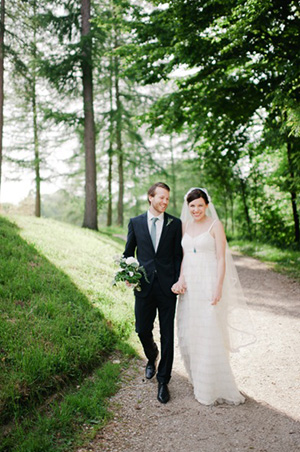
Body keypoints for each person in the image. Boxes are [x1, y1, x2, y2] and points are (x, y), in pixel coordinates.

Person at [172, 187, 255, 406]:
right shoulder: (185, 225)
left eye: (199, 205)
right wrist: (181, 279)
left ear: (207, 205)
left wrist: (218, 287)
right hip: (190, 286)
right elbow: (184, 257)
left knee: (209, 332)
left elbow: (221, 258)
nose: (196, 209)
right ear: (187, 207)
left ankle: (212, 386)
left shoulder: (215, 225)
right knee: (190, 332)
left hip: (208, 283)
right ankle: (197, 379)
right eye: (192, 206)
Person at [124, 182, 183, 404]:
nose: (165, 202)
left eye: (167, 198)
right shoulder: (136, 223)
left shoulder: (175, 224)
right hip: (144, 286)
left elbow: (178, 255)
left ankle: (163, 380)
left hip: (168, 287)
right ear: (150, 197)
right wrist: (129, 275)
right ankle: (152, 356)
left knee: (167, 334)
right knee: (141, 329)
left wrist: (177, 279)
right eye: (161, 198)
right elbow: (128, 253)